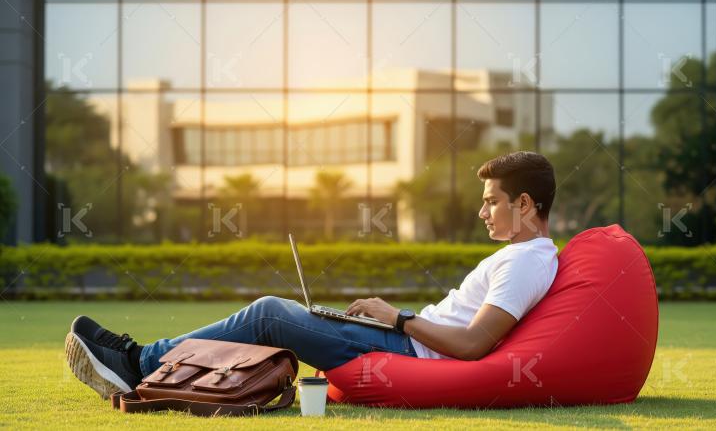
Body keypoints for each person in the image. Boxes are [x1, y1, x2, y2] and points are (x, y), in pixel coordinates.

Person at [65, 151, 560, 399]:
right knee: (279, 312)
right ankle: (149, 363)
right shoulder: (522, 256)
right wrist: (389, 319)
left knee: (269, 313)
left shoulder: (525, 260)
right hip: (397, 338)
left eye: (491, 201)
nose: (482, 212)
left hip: (405, 349)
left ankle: (138, 363)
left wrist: (400, 319)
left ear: (523, 203)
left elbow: (474, 344)